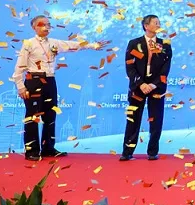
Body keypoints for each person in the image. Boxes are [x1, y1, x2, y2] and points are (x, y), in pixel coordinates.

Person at [12, 15, 109, 161]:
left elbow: (72, 45)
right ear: (34, 27)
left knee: (50, 115)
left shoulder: (53, 43)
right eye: (42, 24)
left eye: (48, 24)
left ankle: (48, 148)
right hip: (34, 80)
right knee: (32, 116)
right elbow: (19, 67)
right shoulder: (29, 43)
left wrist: (92, 45)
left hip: (50, 81)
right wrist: (20, 86)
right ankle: (31, 150)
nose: (46, 27)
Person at [120, 14, 173, 161]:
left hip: (156, 87)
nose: (158, 25)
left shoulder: (165, 44)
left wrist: (153, 84)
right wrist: (141, 84)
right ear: (146, 26)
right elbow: (130, 66)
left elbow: (165, 68)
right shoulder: (134, 43)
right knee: (133, 119)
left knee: (156, 120)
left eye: (159, 22)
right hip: (138, 87)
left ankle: (152, 152)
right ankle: (127, 152)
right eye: (155, 22)